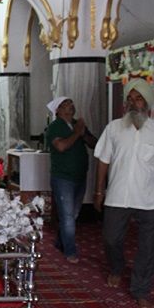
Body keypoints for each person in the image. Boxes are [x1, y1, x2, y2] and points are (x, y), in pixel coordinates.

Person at [93, 78, 154, 308]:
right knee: (111, 238)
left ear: (148, 102)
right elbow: (103, 160)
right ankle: (116, 267)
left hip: (149, 198)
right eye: (130, 99)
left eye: (138, 98)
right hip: (118, 195)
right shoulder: (114, 128)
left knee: (147, 246)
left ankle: (141, 290)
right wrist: (99, 190)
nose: (133, 103)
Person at [45, 96, 97, 263]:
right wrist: (77, 132)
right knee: (67, 216)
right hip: (63, 178)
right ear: (58, 111)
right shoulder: (54, 127)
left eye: (71, 103)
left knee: (73, 214)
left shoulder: (77, 124)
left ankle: (61, 242)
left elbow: (93, 143)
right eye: (65, 105)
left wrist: (83, 132)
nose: (70, 106)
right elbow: (61, 146)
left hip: (79, 175)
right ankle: (70, 251)